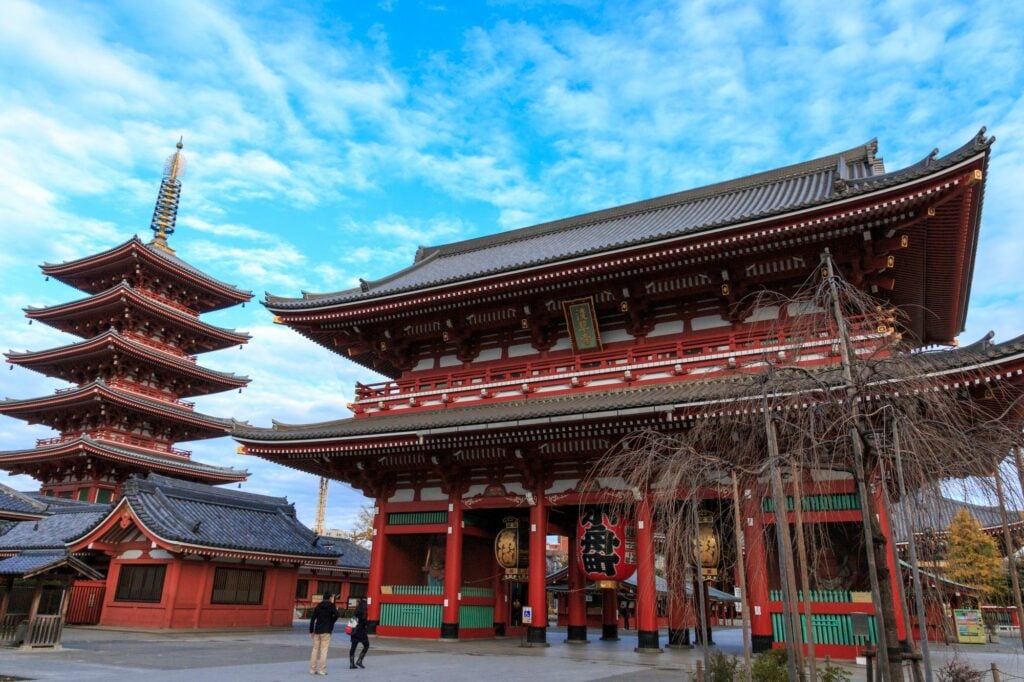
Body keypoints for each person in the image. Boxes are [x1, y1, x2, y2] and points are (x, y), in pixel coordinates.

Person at [309, 592, 339, 676]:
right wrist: (332, 621)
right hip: (326, 630)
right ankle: (322, 670)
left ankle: (312, 669)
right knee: (323, 650)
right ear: (330, 597)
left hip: (317, 630)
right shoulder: (331, 606)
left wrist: (311, 631)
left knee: (315, 650)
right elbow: (337, 614)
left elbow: (312, 618)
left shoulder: (318, 606)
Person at [349, 597, 370, 669]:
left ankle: (351, 664)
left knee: (353, 647)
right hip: (362, 632)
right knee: (366, 645)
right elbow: (365, 623)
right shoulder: (364, 612)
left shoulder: (356, 611)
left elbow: (352, 621)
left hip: (354, 631)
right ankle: (359, 660)